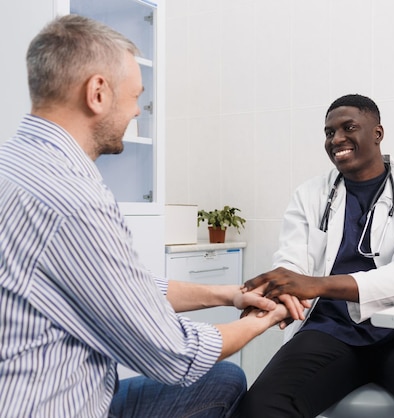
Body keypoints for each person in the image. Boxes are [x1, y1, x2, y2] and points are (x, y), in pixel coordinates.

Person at [0, 15, 306, 418]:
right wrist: (267, 318)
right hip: (55, 405)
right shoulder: (73, 200)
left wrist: (229, 294)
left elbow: (127, 289)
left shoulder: (16, 163)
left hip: (44, 386)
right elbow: (174, 354)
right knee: (220, 377)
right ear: (97, 93)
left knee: (224, 380)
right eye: (135, 97)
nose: (136, 113)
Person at [236, 94, 394, 418]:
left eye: (348, 128)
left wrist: (317, 285)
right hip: (330, 331)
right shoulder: (309, 195)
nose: (337, 139)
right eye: (330, 132)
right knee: (260, 406)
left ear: (377, 133)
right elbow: (292, 264)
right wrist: (275, 295)